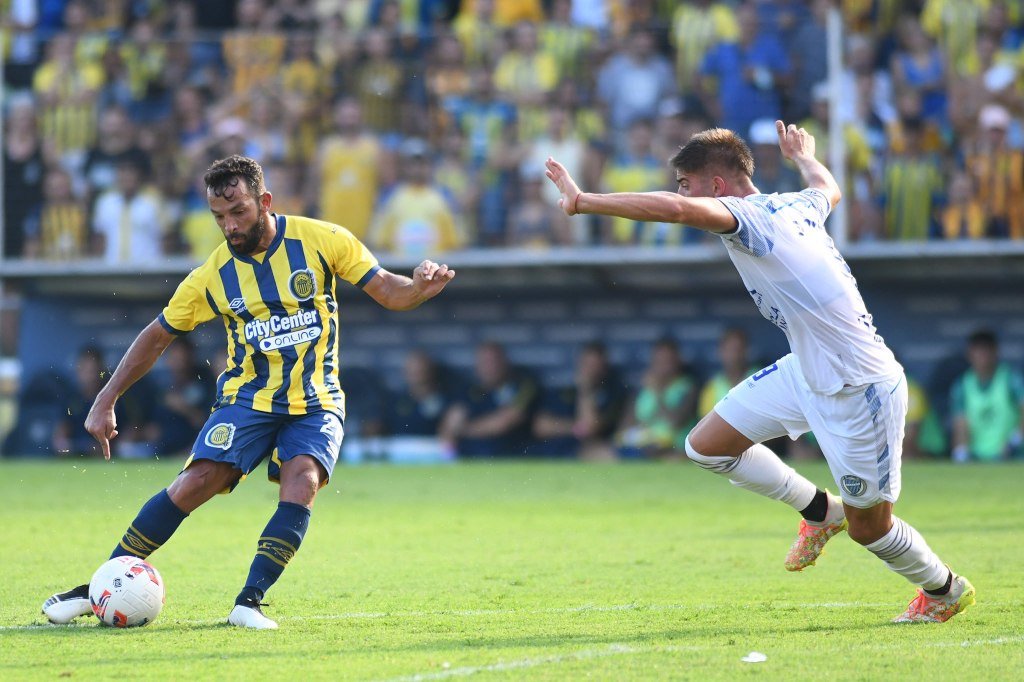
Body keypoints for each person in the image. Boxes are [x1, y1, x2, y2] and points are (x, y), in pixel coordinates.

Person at [544, 121, 975, 623]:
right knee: (705, 446)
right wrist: (804, 156)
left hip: (861, 388)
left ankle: (944, 589)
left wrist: (584, 201)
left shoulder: (749, 217)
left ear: (718, 186)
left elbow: (678, 210)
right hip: (806, 371)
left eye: (687, 181)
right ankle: (820, 511)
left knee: (871, 529)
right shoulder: (795, 204)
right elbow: (827, 188)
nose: (682, 193)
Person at [41, 155, 455, 630]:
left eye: (238, 211)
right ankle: (95, 588)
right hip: (248, 398)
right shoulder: (211, 276)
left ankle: (248, 602)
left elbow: (389, 290)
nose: (230, 226)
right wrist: (105, 399)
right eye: (219, 216)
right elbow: (157, 335)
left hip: (316, 399)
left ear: (265, 201)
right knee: (197, 482)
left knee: (303, 480)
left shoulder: (323, 240)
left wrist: (420, 288)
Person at [949, 330, 1024, 463]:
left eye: (987, 350)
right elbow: (960, 424)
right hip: (977, 457)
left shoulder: (1011, 379)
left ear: (996, 352)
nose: (983, 355)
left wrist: (1015, 441)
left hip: (1013, 456)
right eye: (978, 350)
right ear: (969, 354)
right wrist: (961, 451)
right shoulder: (962, 385)